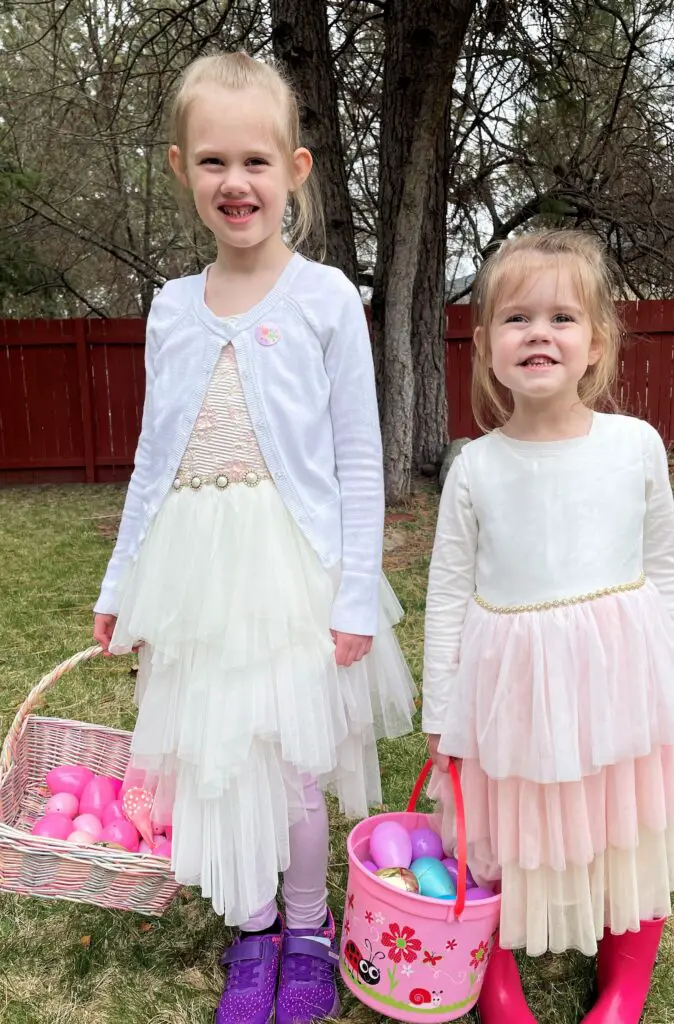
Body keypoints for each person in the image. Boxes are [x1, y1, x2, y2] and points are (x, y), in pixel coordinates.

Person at [92, 52, 415, 1024]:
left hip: (289, 567)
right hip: (194, 570)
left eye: (256, 162)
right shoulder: (171, 309)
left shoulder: (322, 300)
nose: (237, 183)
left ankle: (310, 928)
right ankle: (254, 924)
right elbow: (154, 459)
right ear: (181, 169)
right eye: (213, 162)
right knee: (214, 754)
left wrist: (356, 591)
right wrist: (122, 582)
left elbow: (360, 458)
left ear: (297, 170)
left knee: (291, 762)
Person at [422, 230, 674, 1024]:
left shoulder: (634, 447)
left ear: (596, 344)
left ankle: (624, 979)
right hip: (509, 681)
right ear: (485, 346)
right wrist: (441, 708)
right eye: (517, 319)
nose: (539, 334)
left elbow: (666, 565)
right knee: (506, 822)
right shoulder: (474, 465)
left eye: (561, 318)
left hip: (619, 676)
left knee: (625, 814)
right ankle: (497, 973)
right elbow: (447, 591)